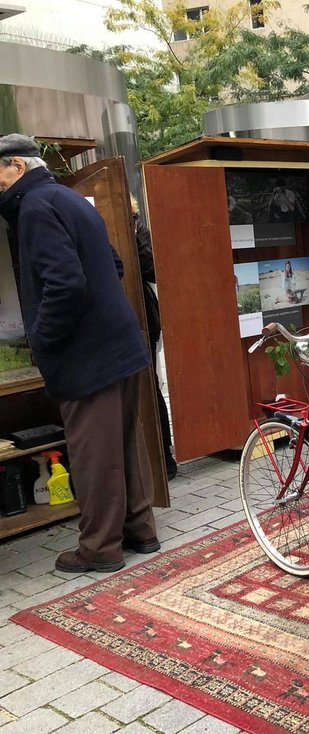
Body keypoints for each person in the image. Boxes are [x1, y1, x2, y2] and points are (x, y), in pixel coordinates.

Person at [0, 133, 159, 572]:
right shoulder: (69, 200)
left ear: (16, 167)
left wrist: (42, 337)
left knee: (93, 453)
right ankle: (140, 530)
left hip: (85, 353)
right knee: (125, 445)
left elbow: (65, 283)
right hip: (119, 343)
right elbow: (115, 264)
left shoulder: (33, 208)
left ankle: (99, 548)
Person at [131, 194, 178, 480]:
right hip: (124, 316)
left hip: (144, 317)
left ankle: (165, 457)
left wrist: (136, 233)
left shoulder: (139, 228)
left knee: (150, 384)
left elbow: (152, 268)